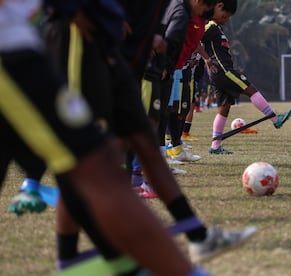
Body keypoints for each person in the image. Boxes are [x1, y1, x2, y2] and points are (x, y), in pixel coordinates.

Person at [0, 1, 208, 274]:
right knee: (94, 165)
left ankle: (111, 261)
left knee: (95, 164)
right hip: (20, 49)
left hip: (33, 44)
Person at [44, 0, 256, 268]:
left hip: (130, 64)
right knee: (85, 160)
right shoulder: (180, 9)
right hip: (87, 50)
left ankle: (198, 236)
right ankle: (75, 257)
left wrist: (151, 35)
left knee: (145, 143)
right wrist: (78, 12)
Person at [201, 0, 291, 154]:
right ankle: (275, 119)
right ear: (217, 7)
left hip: (219, 73)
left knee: (224, 109)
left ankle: (215, 147)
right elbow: (194, 39)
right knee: (251, 90)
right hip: (224, 71)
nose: (226, 20)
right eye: (224, 16)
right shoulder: (210, 27)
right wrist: (205, 58)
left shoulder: (218, 28)